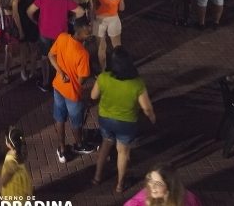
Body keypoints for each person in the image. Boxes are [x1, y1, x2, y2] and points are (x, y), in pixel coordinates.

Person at [91, 47, 155, 193]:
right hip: (126, 123)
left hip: (106, 120)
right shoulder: (137, 83)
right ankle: (120, 184)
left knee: (106, 145)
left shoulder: (103, 77)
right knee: (123, 152)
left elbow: (93, 96)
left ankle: (97, 177)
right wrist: (152, 117)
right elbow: (147, 108)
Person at [49, 16, 95, 162]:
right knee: (76, 122)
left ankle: (62, 149)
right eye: (88, 33)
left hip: (58, 87)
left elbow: (51, 55)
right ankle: (79, 145)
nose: (90, 35)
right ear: (80, 33)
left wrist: (61, 73)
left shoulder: (62, 37)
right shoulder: (83, 53)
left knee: (60, 118)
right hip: (72, 93)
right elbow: (81, 79)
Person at [27, 0, 85, 92]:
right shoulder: (66, 1)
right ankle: (62, 79)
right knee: (60, 58)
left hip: (45, 32)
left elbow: (29, 11)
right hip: (61, 35)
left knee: (44, 57)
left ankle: (45, 82)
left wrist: (36, 22)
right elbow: (81, 11)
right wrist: (72, 20)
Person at [124, 164, 203, 206]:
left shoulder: (187, 201)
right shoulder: (140, 199)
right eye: (151, 180)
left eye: (158, 183)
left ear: (170, 186)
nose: (152, 187)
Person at [94, 0, 125, 70]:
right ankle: (120, 68)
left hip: (100, 20)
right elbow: (122, 8)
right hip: (114, 19)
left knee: (101, 48)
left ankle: (103, 70)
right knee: (117, 47)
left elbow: (94, 7)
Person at [0, 127, 33, 198]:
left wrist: (1, 183)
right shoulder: (20, 152)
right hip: (23, 181)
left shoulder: (10, 159)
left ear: (9, 144)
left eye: (6, 140)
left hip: (14, 188)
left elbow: (8, 174)